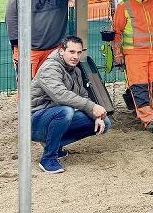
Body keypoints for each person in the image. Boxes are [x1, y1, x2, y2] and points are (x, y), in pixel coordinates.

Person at [31, 36, 111, 173]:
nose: (75, 56)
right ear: (61, 51)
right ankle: (48, 158)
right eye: (72, 52)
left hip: (54, 115)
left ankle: (54, 145)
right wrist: (92, 107)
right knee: (65, 111)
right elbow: (60, 95)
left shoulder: (76, 70)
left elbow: (83, 96)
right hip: (34, 121)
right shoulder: (50, 68)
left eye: (79, 53)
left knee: (105, 122)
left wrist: (96, 115)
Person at [5, 0, 85, 78]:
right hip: (29, 51)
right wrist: (17, 44)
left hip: (55, 50)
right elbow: (11, 17)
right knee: (28, 88)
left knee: (54, 85)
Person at [111, 0, 153, 133]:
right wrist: (117, 54)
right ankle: (148, 120)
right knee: (140, 87)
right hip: (135, 54)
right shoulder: (124, 5)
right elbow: (116, 32)